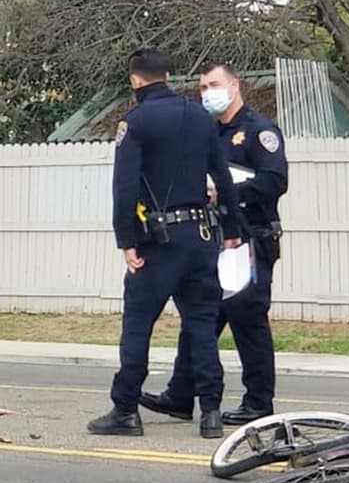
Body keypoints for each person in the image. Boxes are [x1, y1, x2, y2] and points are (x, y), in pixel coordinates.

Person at [87, 48, 245, 439]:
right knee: (202, 326)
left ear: (135, 80)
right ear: (169, 75)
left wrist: (127, 240)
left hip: (158, 241)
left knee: (138, 324)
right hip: (201, 236)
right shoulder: (199, 116)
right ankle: (210, 411)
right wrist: (233, 226)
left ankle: (126, 409)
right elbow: (222, 178)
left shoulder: (135, 122)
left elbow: (124, 188)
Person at [139, 61, 288, 428]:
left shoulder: (258, 131)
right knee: (199, 318)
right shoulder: (205, 131)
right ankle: (180, 393)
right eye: (203, 88)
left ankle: (258, 402)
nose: (208, 93)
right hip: (212, 237)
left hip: (250, 237)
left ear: (235, 86)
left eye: (214, 85)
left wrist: (225, 189)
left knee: (247, 318)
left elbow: (275, 181)